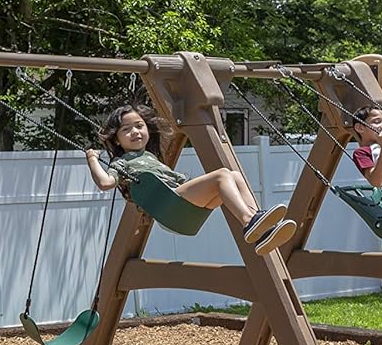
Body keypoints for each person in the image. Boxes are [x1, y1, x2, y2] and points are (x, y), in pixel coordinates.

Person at [84, 102, 298, 256]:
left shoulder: (149, 156)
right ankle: (249, 221)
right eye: (126, 129)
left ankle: (259, 226)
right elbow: (105, 183)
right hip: (170, 205)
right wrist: (93, 159)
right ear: (117, 139)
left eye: (139, 126)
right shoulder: (122, 162)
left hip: (184, 209)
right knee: (222, 175)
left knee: (234, 175)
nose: (135, 132)